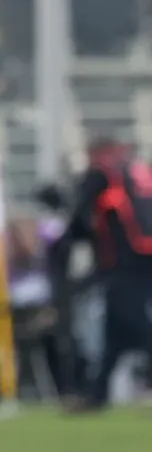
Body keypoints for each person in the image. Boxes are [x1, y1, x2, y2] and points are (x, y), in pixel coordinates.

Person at [54, 138, 152, 413]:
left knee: (136, 325)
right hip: (143, 257)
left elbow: (80, 217)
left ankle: (96, 395)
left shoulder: (101, 176)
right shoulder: (134, 173)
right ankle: (96, 394)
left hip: (122, 264)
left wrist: (64, 243)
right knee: (115, 331)